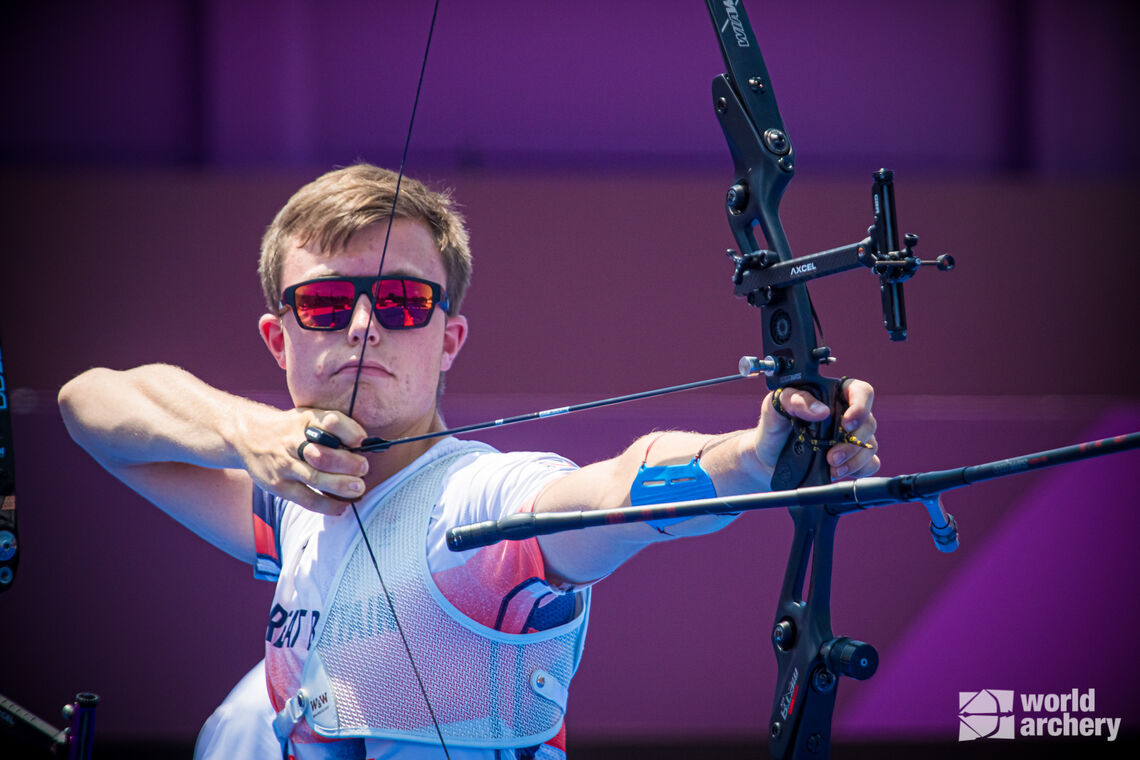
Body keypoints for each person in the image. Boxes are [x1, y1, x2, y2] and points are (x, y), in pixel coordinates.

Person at [58, 164, 880, 759]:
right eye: (324, 302)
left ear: (448, 339)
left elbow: (616, 486)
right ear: (281, 337)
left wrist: (750, 458)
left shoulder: (478, 502)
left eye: (404, 301)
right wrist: (249, 435)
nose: (363, 327)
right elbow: (91, 404)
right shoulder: (292, 502)